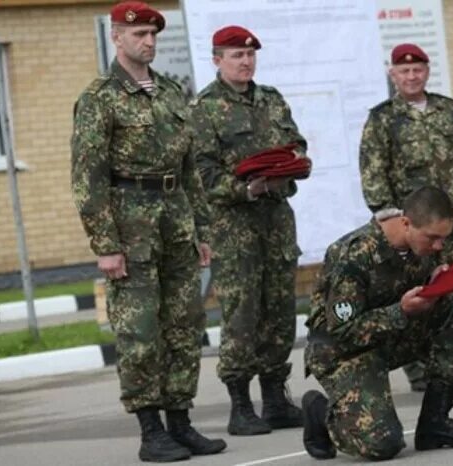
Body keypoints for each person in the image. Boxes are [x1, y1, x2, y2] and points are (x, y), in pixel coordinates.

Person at [70, 2, 225, 462]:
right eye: (139, 35)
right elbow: (87, 177)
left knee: (184, 325)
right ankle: (150, 429)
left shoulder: (172, 93)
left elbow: (190, 168)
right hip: (130, 225)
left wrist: (202, 228)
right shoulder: (99, 97)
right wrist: (106, 245)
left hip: (176, 223)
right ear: (117, 38)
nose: (149, 42)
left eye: (154, 34)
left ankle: (180, 421)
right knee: (140, 332)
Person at [302, 187, 453, 461]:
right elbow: (343, 332)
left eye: (443, 239)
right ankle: (321, 412)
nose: (439, 247)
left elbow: (419, 289)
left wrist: (433, 285)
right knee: (382, 445)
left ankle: (435, 423)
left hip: (389, 337)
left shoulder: (423, 244)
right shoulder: (353, 255)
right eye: (433, 238)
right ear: (405, 223)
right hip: (342, 352)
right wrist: (400, 311)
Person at [191, 25, 309, 436]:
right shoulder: (204, 108)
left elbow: (296, 144)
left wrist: (292, 166)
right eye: (235, 55)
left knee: (280, 310)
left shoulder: (271, 101)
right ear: (217, 60)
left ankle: (275, 398)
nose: (245, 61)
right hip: (234, 226)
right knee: (243, 314)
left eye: (249, 55)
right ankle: (241, 405)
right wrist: (244, 188)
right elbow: (202, 172)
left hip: (276, 220)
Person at [359, 43, 453, 391]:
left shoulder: (449, 112)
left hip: (452, 221)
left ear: (427, 71)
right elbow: (373, 172)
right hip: (413, 227)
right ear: (393, 74)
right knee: (417, 291)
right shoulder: (382, 118)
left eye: (417, 69)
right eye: (404, 71)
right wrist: (388, 215)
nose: (411, 76)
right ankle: (419, 370)